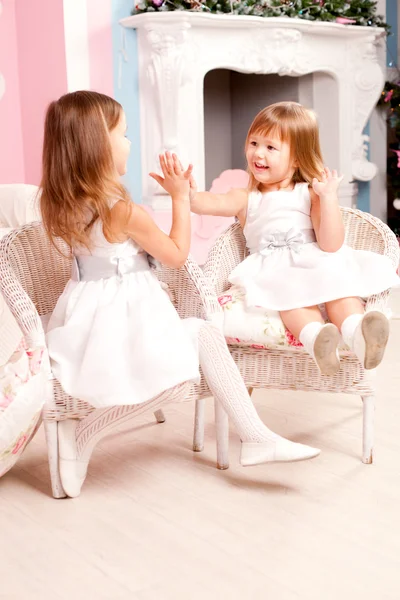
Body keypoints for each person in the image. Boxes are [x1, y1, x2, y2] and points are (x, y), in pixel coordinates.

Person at [39, 92, 319, 497]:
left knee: (204, 335)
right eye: (124, 134)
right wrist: (179, 198)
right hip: (121, 319)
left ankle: (257, 436)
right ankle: (88, 434)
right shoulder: (122, 211)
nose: (130, 144)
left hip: (87, 314)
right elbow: (175, 254)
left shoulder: (59, 201)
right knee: (183, 373)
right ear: (98, 146)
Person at [189, 101, 399, 376]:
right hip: (273, 267)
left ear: (297, 157)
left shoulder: (308, 192)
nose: (258, 153)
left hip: (315, 259)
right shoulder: (245, 197)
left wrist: (328, 198)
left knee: (339, 288)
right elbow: (210, 203)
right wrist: (189, 194)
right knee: (290, 297)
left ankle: (358, 334)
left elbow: (331, 243)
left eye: (270, 147)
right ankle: (317, 340)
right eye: (253, 143)